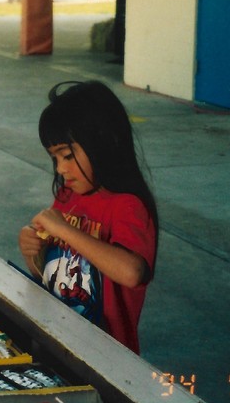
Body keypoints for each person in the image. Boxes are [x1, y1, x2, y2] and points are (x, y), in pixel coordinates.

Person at [17, 81, 158, 354]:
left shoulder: (127, 206)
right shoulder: (68, 197)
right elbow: (52, 276)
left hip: (109, 357)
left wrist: (65, 230)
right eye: (55, 159)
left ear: (104, 142)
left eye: (67, 156)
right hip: (62, 341)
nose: (61, 169)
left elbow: (131, 272)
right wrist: (33, 250)